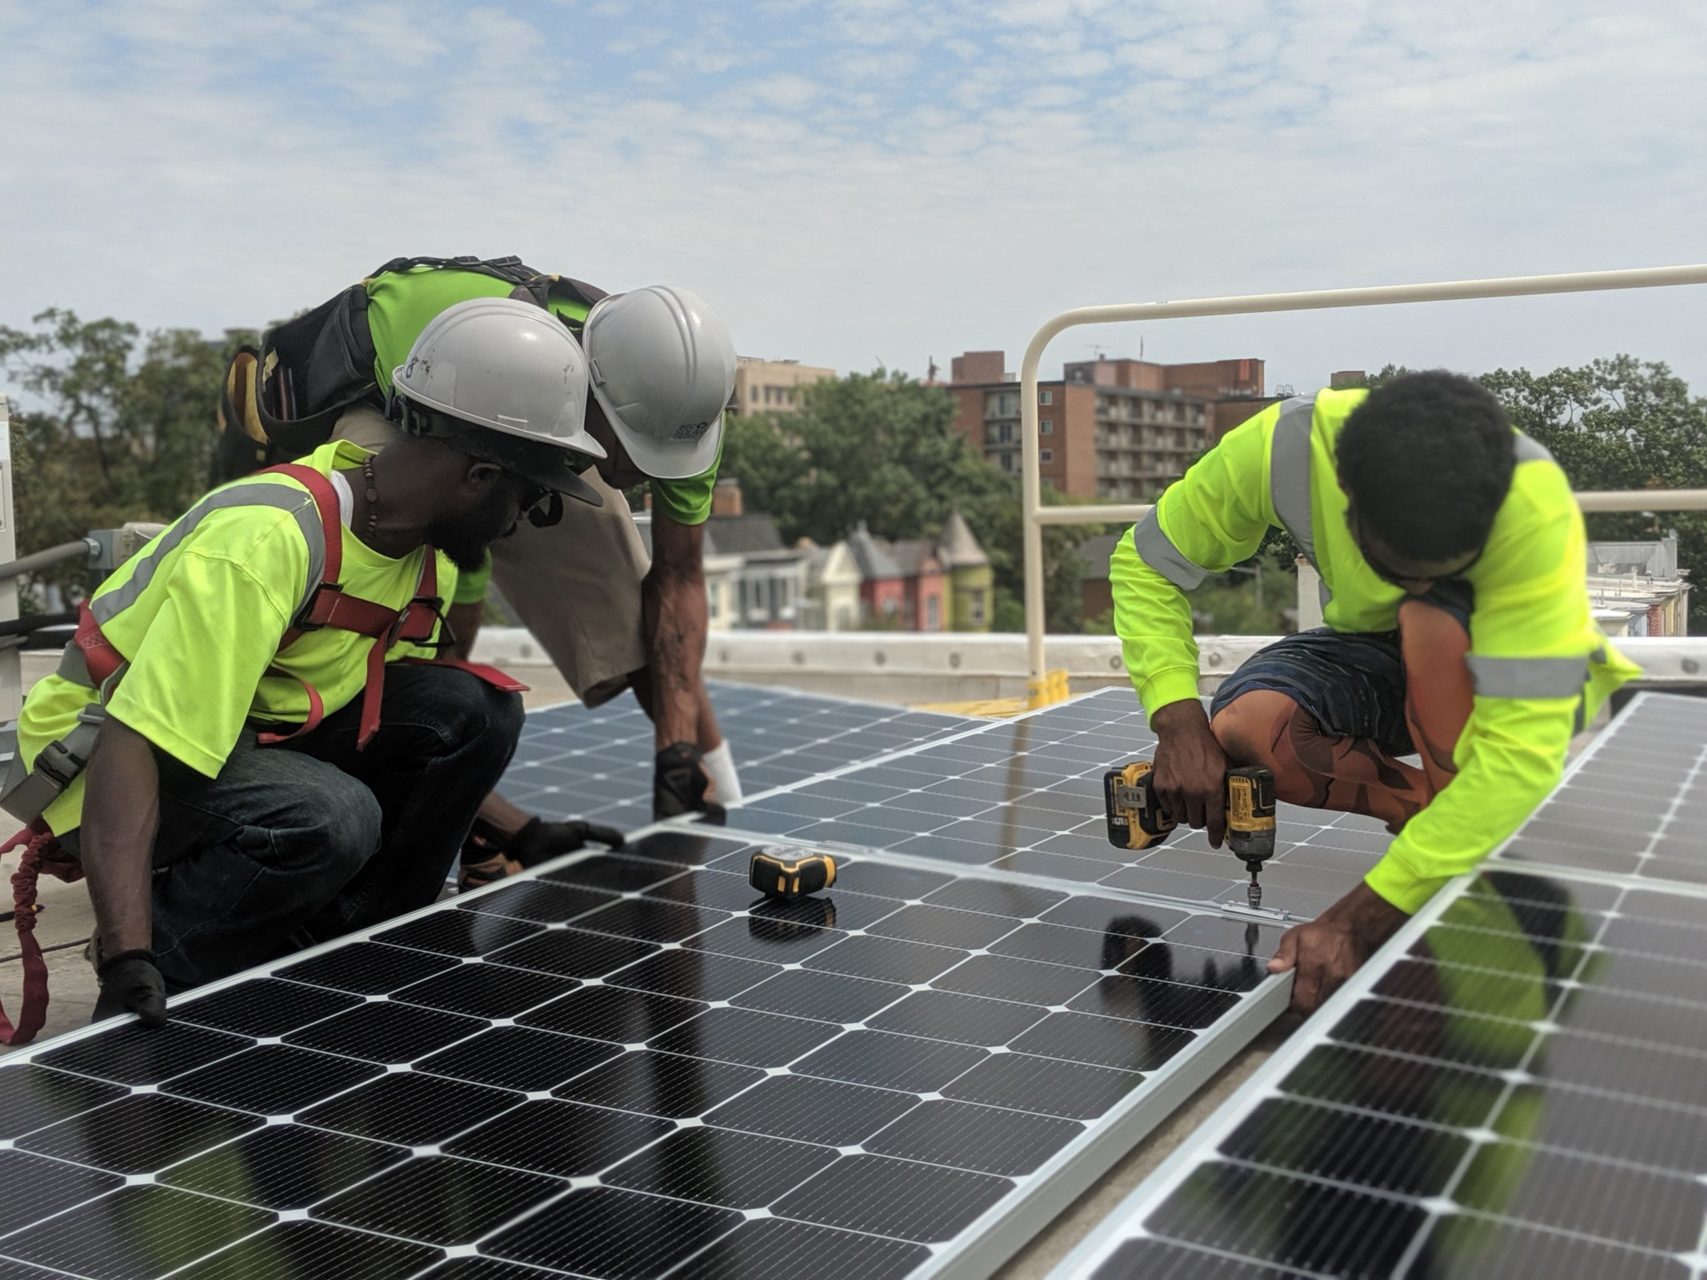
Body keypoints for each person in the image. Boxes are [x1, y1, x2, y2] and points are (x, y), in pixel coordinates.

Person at [8, 297, 615, 1027]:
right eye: (534, 498)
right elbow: (135, 741)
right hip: (94, 761)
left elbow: (402, 729)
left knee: (475, 710)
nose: (526, 521)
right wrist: (133, 952)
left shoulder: (427, 562)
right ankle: (171, 962)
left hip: (244, 736)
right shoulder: (268, 544)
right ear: (480, 476)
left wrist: (521, 830)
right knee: (331, 816)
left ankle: (342, 952)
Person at [1111, 371, 1638, 1014]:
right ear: (1348, 502)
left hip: (1487, 665)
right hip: (1366, 650)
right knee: (1249, 732)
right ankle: (1438, 822)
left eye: (1438, 574)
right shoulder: (1285, 450)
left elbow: (1518, 752)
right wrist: (1177, 718)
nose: (1415, 585)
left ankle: (1461, 842)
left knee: (1430, 622)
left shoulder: (1528, 501)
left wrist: (1356, 920)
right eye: (1401, 570)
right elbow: (1144, 564)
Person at [216, 257, 740, 881]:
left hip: (521, 422)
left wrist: (678, 748)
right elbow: (463, 541)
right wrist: (488, 813)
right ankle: (438, 801)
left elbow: (677, 580)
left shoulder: (679, 408)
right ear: (591, 396)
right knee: (393, 591)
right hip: (396, 396)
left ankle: (685, 783)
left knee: (617, 592)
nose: (645, 473)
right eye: (632, 450)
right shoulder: (484, 356)